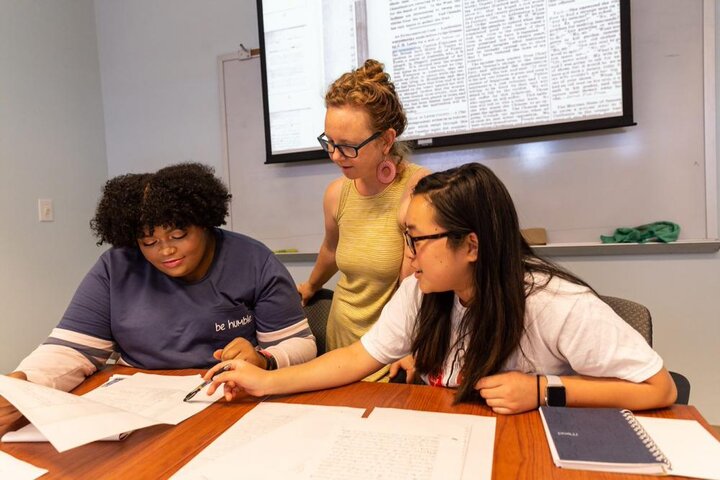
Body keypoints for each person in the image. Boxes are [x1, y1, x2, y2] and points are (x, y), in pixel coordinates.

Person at [203, 163, 677, 414]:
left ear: (470, 245)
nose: (406, 255)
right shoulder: (423, 291)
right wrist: (266, 382)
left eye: (416, 239)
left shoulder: (554, 304)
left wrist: (541, 390)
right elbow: (355, 357)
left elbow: (660, 389)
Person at [0, 162, 316, 433]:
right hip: (137, 408)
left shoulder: (252, 260)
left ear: (204, 223)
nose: (165, 251)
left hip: (229, 400)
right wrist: (24, 384)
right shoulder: (117, 266)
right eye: (149, 241)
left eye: (179, 236)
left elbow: (301, 345)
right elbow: (71, 349)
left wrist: (263, 360)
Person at [296, 59, 428, 380]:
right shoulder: (336, 194)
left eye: (348, 147)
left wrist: (413, 348)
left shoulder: (418, 191)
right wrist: (310, 286)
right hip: (341, 341)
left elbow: (416, 287)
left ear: (386, 140)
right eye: (330, 143)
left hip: (393, 348)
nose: (336, 156)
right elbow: (331, 249)